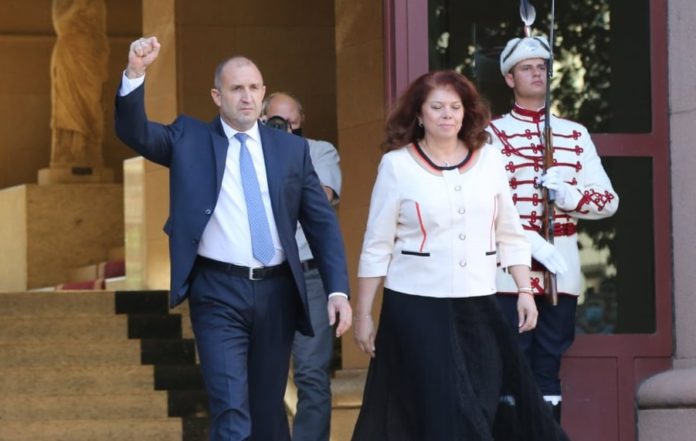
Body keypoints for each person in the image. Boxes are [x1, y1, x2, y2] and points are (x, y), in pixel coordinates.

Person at [114, 37, 352, 441]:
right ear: (217, 96)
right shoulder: (189, 138)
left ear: (263, 92)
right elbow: (134, 131)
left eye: (254, 87)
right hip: (217, 291)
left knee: (268, 412)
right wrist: (135, 72)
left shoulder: (291, 150)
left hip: (277, 291)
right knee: (231, 410)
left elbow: (321, 224)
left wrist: (337, 290)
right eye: (236, 88)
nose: (247, 97)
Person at [351, 70, 569, 440]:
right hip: (415, 305)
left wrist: (524, 289)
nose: (447, 115)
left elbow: (509, 231)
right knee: (442, 407)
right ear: (419, 114)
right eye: (437, 107)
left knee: (481, 401)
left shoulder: (490, 160)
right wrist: (363, 314)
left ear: (466, 112)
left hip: (478, 302)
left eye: (455, 107)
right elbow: (377, 244)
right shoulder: (397, 165)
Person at [488, 36, 619, 422]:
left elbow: (608, 200)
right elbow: (484, 205)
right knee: (512, 363)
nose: (536, 73)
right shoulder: (490, 134)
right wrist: (528, 240)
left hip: (561, 267)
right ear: (509, 78)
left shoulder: (575, 134)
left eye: (542, 67)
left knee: (548, 365)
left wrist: (568, 195)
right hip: (507, 270)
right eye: (526, 68)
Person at [261, 92, 341, 441]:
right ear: (262, 120)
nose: (286, 129)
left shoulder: (319, 151)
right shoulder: (247, 155)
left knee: (312, 374)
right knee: (264, 374)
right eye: (277, 123)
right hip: (266, 278)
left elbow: (321, 198)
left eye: (292, 123)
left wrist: (287, 154)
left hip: (310, 278)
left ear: (302, 120)